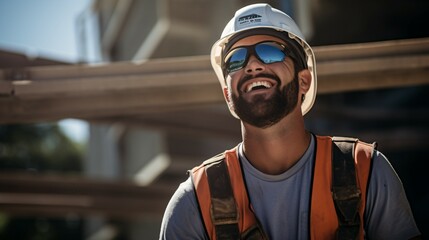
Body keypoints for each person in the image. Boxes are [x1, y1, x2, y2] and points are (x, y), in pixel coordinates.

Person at [159, 3, 421, 240]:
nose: (251, 65)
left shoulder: (365, 171)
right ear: (228, 94)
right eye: (235, 60)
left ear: (304, 80)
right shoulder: (195, 201)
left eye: (269, 52)